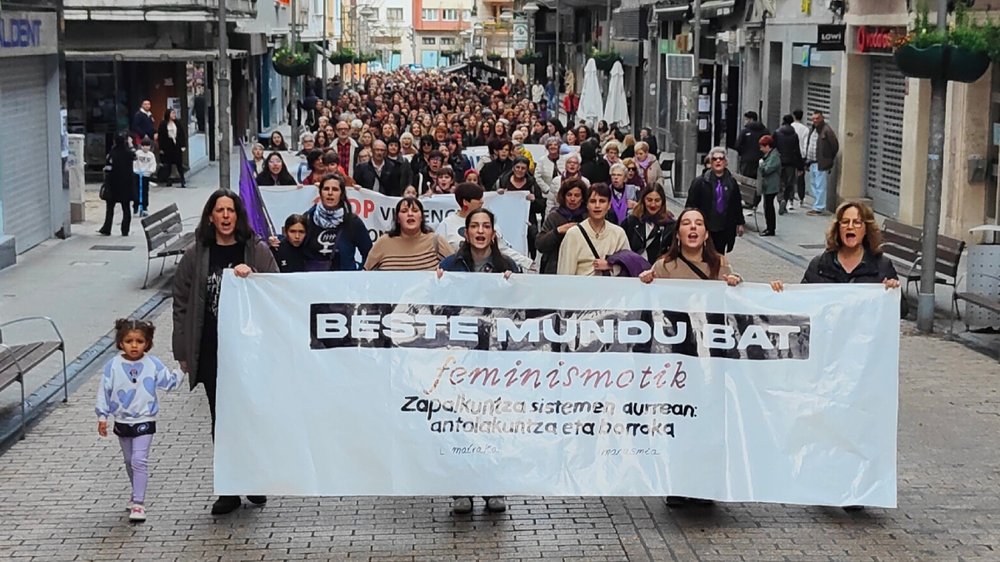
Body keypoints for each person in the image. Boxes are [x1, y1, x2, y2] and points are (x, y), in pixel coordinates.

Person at [172, 189, 278, 515]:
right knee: (223, 420)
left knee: (250, 416)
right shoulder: (196, 254)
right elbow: (180, 302)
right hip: (212, 351)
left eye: (231, 210)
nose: (226, 216)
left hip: (249, 354)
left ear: (238, 215)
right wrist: (183, 351)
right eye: (220, 210)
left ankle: (255, 480)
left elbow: (276, 290)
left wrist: (254, 277)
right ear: (210, 216)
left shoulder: (256, 251)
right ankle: (230, 488)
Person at [96, 318, 184, 523]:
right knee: (129, 460)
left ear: (147, 343)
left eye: (139, 341)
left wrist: (182, 369)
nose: (134, 346)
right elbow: (104, 391)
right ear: (120, 343)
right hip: (122, 420)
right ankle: (135, 491)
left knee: (139, 460)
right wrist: (102, 416)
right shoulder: (113, 365)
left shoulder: (152, 364)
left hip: (145, 419)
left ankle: (139, 502)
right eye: (128, 341)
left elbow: (168, 382)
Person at [771, 201, 901, 292]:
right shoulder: (821, 264)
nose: (850, 226)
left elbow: (901, 311)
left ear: (866, 229)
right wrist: (780, 292)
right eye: (845, 222)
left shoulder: (881, 266)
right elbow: (802, 300)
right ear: (838, 228)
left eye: (857, 222)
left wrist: (893, 290)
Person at [435, 181, 533, 271]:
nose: (482, 201)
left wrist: (526, 262)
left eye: (486, 227)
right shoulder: (446, 225)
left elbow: (502, 248)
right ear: (465, 202)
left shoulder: (490, 223)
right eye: (478, 198)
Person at [298, 173, 372, 271]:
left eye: (335, 189)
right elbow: (294, 246)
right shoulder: (308, 218)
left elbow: (370, 254)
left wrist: (358, 275)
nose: (330, 193)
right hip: (314, 281)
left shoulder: (353, 222)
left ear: (341, 194)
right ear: (320, 193)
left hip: (344, 282)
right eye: (326, 189)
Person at [556, 183, 629, 276]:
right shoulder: (574, 234)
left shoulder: (619, 233)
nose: (597, 205)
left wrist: (611, 266)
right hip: (581, 288)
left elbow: (628, 266)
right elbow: (565, 273)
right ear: (587, 205)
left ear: (609, 205)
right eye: (593, 201)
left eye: (602, 201)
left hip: (611, 288)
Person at [363, 197, 454, 271]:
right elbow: (365, 275)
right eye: (404, 211)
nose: (410, 214)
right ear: (398, 219)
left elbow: (458, 270)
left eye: (415, 211)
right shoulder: (384, 242)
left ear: (421, 217)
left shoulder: (436, 241)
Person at [684, 146, 745, 255]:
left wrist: (740, 223)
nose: (718, 161)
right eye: (714, 159)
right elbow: (691, 205)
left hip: (723, 228)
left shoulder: (731, 182)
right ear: (710, 162)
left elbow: (736, 204)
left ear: (726, 162)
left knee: (718, 257)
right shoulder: (700, 182)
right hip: (706, 227)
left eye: (721, 159)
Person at [536, 178, 588, 274]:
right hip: (555, 268)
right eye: (569, 195)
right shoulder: (554, 216)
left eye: (577, 195)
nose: (572, 199)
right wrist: (557, 231)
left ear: (583, 198)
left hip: (582, 268)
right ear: (563, 197)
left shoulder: (588, 217)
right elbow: (540, 245)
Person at [624, 184, 675, 263]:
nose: (653, 205)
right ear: (643, 200)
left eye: (657, 200)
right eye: (649, 200)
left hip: (659, 270)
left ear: (663, 201)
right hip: (634, 269)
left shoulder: (670, 225)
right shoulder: (631, 221)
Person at [99, 132, 135, 237]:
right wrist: (131, 145)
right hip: (126, 185)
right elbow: (135, 155)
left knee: (110, 208)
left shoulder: (112, 154)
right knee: (126, 208)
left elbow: (108, 170)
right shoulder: (129, 153)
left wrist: (106, 182)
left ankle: (107, 228)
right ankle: (125, 230)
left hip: (114, 185)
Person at [804, 111, 839, 216]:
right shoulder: (812, 130)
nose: (815, 120)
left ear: (822, 118)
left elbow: (834, 146)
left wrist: (828, 159)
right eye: (813, 118)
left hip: (821, 163)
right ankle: (817, 204)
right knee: (814, 184)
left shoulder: (827, 131)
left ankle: (819, 207)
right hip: (812, 162)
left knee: (820, 185)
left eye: (817, 118)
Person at [774, 114, 804, 214]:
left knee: (779, 183)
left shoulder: (777, 133)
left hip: (779, 162)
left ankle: (780, 199)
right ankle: (786, 201)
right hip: (791, 163)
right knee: (789, 184)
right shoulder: (794, 135)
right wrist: (800, 166)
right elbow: (797, 151)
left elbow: (773, 147)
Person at [756, 135, 781, 237]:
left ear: (768, 146)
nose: (761, 149)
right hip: (768, 185)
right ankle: (769, 227)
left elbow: (767, 169)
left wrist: (761, 165)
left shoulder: (774, 156)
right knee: (767, 206)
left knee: (769, 207)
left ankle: (771, 229)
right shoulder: (770, 155)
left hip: (772, 186)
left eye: (762, 147)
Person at [734, 111, 769, 178]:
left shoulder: (745, 131)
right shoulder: (765, 131)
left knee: (746, 181)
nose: (745, 121)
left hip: (747, 160)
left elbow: (737, 145)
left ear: (751, 119)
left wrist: (743, 153)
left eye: (746, 119)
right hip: (761, 160)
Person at [157, 108, 186, 187]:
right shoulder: (163, 124)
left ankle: (182, 179)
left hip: (176, 145)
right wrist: (161, 148)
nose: (174, 115)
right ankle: (169, 180)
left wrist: (183, 145)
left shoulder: (177, 123)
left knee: (179, 163)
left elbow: (182, 134)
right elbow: (161, 137)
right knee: (168, 164)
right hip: (168, 146)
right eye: (172, 113)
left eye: (174, 113)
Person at [791, 109, 811, 208]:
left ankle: (790, 200)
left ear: (794, 116)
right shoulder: (805, 129)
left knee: (790, 177)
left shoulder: (790, 127)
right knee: (800, 178)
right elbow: (805, 144)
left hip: (791, 155)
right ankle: (801, 198)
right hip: (801, 156)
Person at [133, 137, 157, 217]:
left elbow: (153, 164)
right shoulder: (138, 153)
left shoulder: (151, 155)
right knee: (136, 191)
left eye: (147, 146)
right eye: (144, 146)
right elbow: (134, 162)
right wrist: (135, 170)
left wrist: (150, 171)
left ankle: (144, 207)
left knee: (145, 192)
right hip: (138, 174)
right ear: (141, 146)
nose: (146, 148)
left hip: (145, 175)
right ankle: (135, 206)